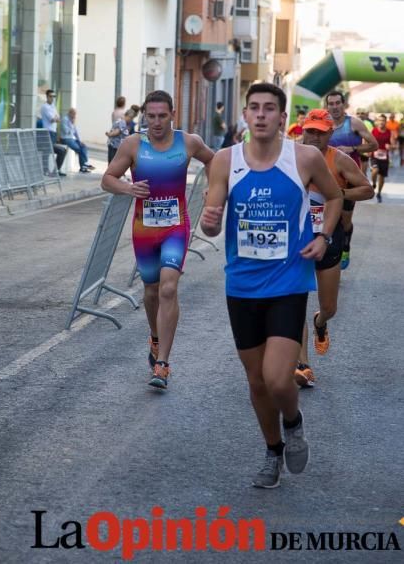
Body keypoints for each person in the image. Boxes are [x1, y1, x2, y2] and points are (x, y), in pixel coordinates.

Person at [200, 83, 343, 489]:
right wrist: (210, 222)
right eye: (254, 108)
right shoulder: (226, 161)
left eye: (269, 109)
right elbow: (212, 211)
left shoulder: (305, 157)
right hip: (241, 285)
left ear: (283, 118)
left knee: (280, 378)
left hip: (288, 281)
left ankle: (293, 423)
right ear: (245, 116)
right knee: (257, 382)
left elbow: (333, 198)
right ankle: (273, 450)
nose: (261, 115)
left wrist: (324, 237)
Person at [101, 90, 214, 390]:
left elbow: (214, 162)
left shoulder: (188, 142)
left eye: (162, 115)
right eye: (151, 116)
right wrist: (128, 189)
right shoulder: (133, 144)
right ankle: (154, 336)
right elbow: (107, 178)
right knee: (150, 291)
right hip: (144, 229)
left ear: (173, 115)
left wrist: (213, 191)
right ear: (144, 117)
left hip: (176, 227)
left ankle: (163, 362)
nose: (156, 122)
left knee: (168, 287)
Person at [294, 109, 374, 388]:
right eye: (310, 131)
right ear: (302, 130)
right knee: (295, 302)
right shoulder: (289, 155)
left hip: (329, 235)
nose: (314, 136)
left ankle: (320, 321)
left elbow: (367, 189)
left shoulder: (339, 160)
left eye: (320, 132)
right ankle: (302, 365)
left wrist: (340, 194)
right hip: (298, 238)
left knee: (329, 306)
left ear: (330, 133)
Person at [325, 90, 377, 270]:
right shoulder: (324, 124)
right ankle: (329, 251)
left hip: (350, 178)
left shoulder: (354, 123)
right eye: (330, 104)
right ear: (327, 106)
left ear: (343, 104)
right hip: (326, 176)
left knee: (345, 220)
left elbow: (374, 144)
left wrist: (353, 148)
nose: (334, 107)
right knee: (325, 215)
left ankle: (345, 247)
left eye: (337, 103)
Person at [39, 89, 67, 176]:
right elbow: (52, 119)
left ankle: (54, 171)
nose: (52, 98)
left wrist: (56, 118)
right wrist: (56, 118)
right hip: (47, 132)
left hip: (53, 133)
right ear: (47, 97)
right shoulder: (45, 107)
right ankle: (47, 171)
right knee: (48, 152)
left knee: (50, 151)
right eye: (51, 96)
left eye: (54, 96)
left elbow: (58, 118)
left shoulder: (53, 106)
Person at [60, 108, 95, 173]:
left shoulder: (71, 120)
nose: (75, 116)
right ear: (70, 113)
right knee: (79, 149)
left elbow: (75, 132)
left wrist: (79, 141)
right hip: (65, 138)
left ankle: (83, 166)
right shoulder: (65, 119)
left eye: (75, 115)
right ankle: (84, 166)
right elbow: (66, 131)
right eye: (74, 114)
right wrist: (72, 125)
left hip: (72, 139)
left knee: (83, 146)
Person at [371, 114, 392, 203]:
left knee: (382, 177)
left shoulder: (389, 132)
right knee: (375, 170)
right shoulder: (374, 131)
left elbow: (393, 144)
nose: (381, 122)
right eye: (379, 120)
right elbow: (369, 140)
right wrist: (368, 150)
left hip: (384, 157)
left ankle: (379, 193)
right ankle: (374, 184)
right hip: (374, 155)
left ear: (385, 122)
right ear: (377, 121)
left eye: (383, 120)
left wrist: (390, 146)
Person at [356, 108, 374, 176]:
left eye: (362, 113)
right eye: (358, 113)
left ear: (365, 115)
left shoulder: (368, 124)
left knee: (362, 174)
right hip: (354, 150)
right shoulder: (352, 123)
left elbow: (371, 138)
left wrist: (369, 151)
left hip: (364, 151)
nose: (360, 115)